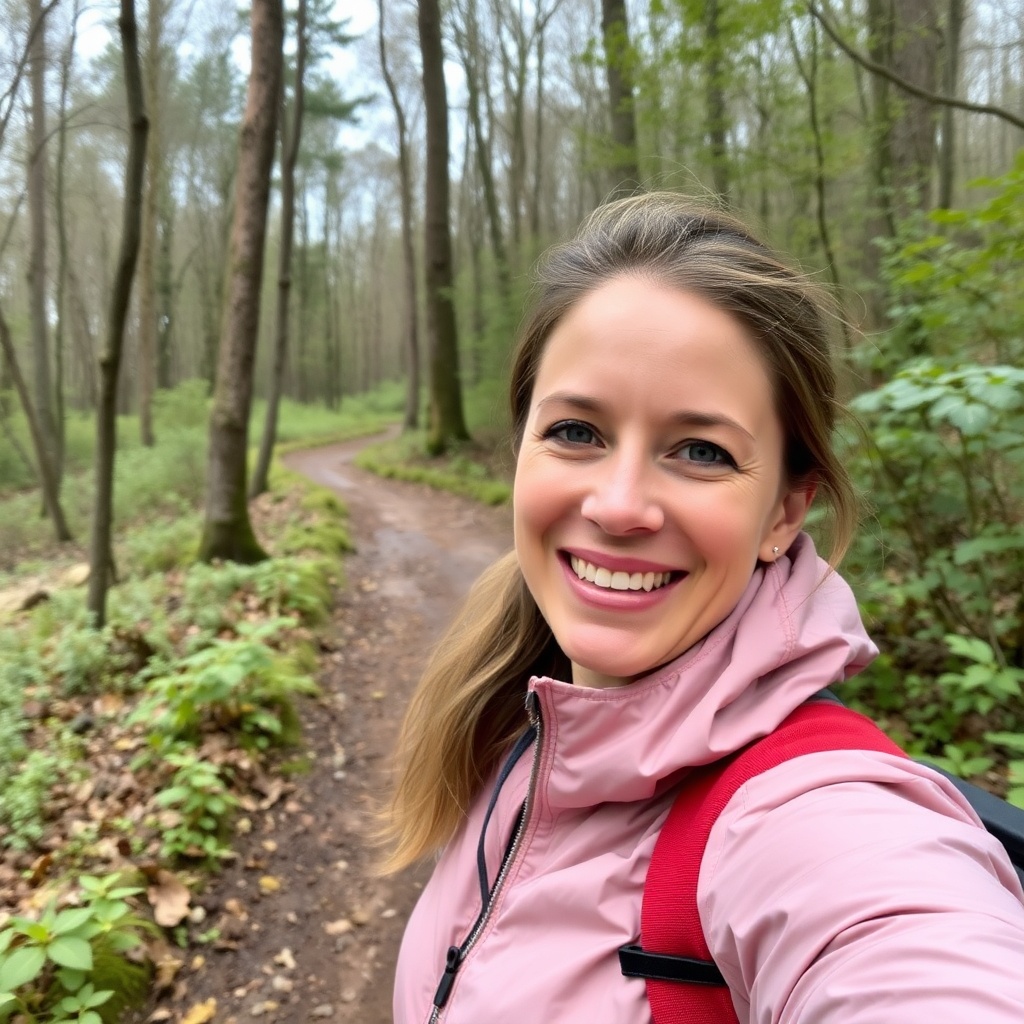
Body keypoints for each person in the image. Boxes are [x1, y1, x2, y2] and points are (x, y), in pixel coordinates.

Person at [382, 194, 1024, 1023]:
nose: (618, 506)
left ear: (786, 513)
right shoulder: (518, 712)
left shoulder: (805, 818)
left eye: (700, 451)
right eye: (577, 431)